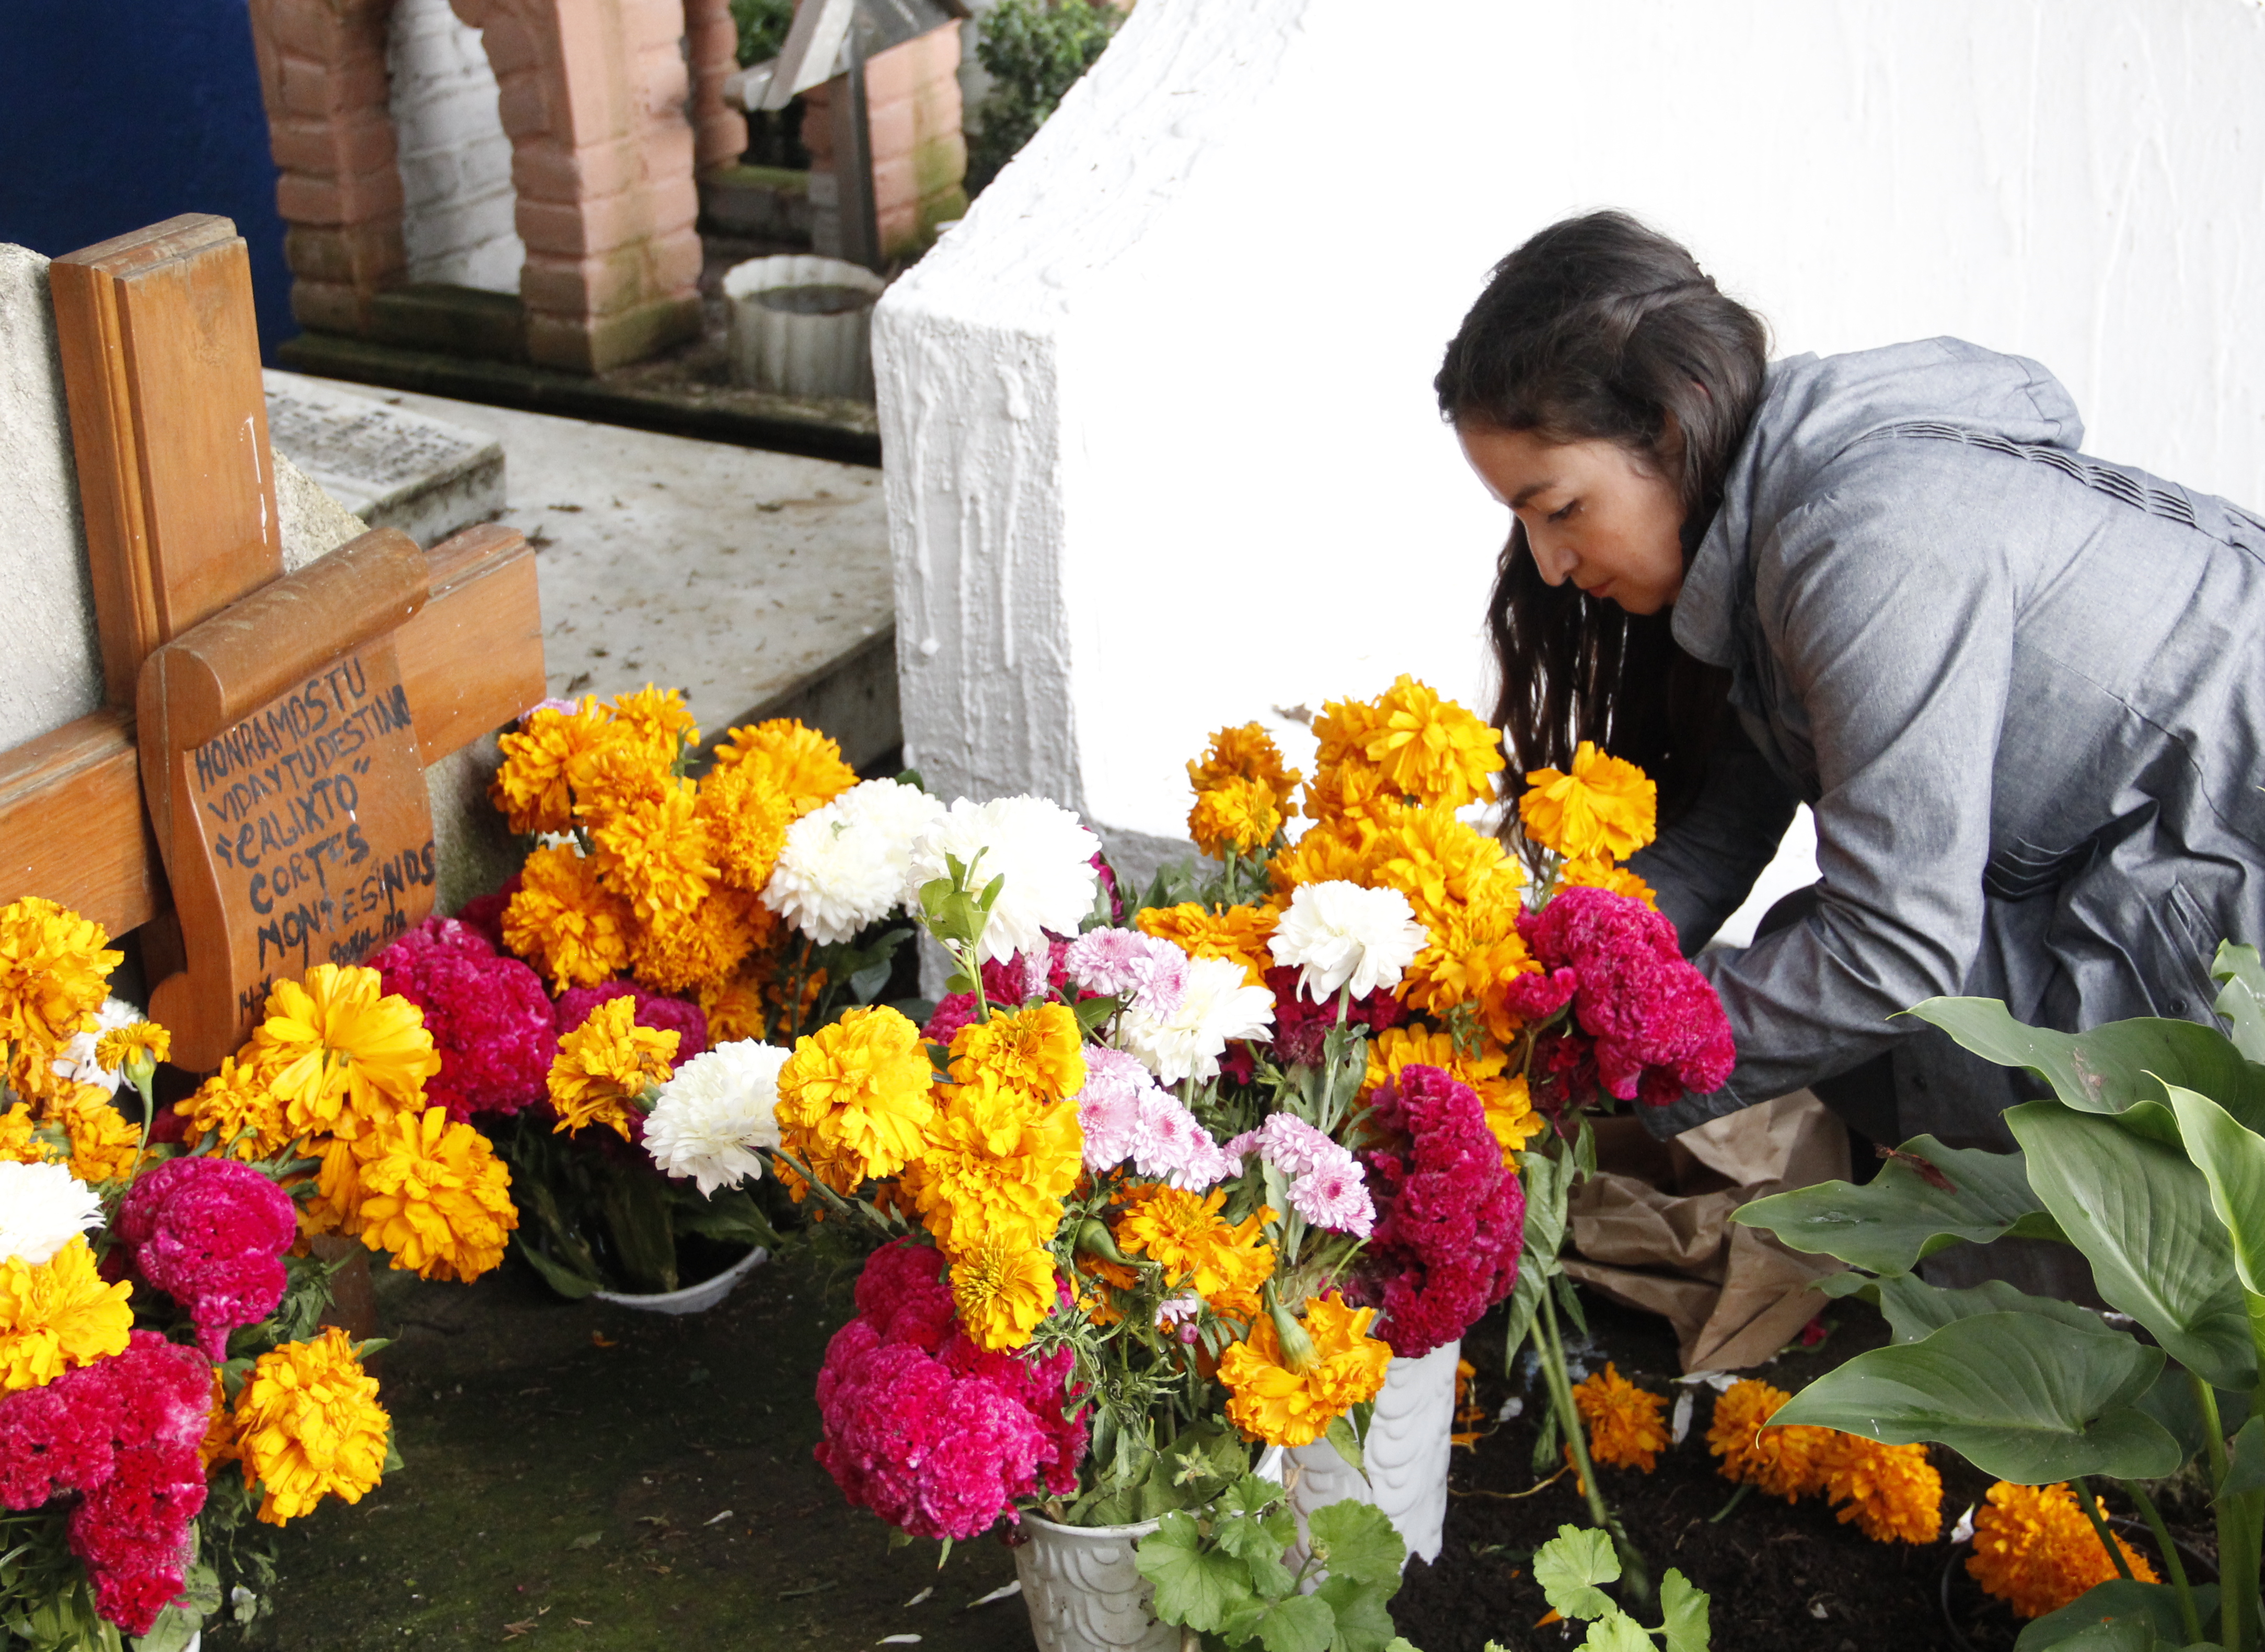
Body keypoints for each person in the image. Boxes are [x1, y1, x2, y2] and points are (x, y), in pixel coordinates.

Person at [1438, 211, 2265, 1151]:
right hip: (2158, 882)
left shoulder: (1863, 544)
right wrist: (1513, 998)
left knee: (1867, 1018)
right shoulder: (1762, 525)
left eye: (1560, 510)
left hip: (2232, 897)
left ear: (1670, 426)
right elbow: (1717, 832)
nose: (1546, 564)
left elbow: (1896, 948)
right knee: (1805, 992)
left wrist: (1582, 1079)